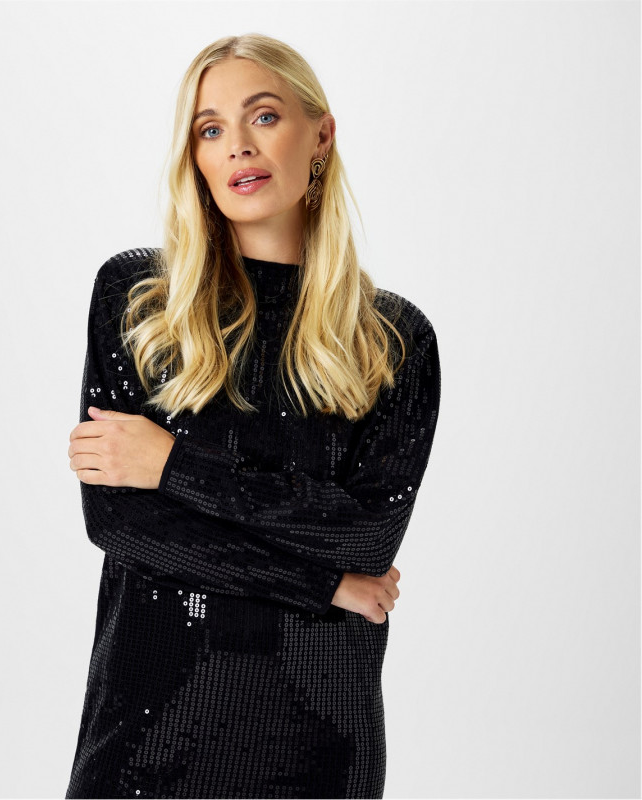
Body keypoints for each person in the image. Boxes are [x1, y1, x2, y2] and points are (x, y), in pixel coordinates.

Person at [65, 32, 441, 800]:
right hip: (144, 741)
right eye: (210, 129)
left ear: (321, 135)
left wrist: (170, 464)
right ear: (195, 158)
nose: (237, 144)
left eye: (263, 116)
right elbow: (121, 522)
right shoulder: (139, 302)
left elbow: (367, 538)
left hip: (316, 747)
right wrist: (322, 584)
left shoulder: (392, 340)